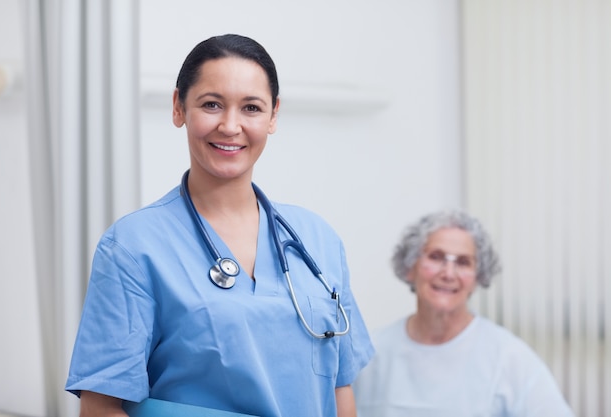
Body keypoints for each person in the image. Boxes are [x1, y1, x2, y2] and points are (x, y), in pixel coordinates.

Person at [65, 34, 374, 417]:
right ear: (179, 108)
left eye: (251, 108)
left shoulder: (317, 239)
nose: (230, 126)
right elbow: (101, 407)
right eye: (211, 104)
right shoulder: (133, 246)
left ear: (273, 114)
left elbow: (340, 388)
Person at [353, 210, 574, 417]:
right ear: (410, 266)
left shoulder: (508, 358)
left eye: (463, 262)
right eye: (436, 257)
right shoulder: (370, 354)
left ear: (478, 277)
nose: (448, 273)